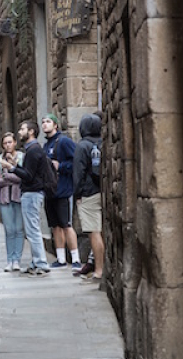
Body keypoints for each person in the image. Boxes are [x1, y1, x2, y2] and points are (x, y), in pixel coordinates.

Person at [0, 121, 51, 277]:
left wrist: (11, 168)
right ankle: (36, 262)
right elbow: (29, 172)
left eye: (22, 129)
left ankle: (41, 263)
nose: (20, 131)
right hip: (32, 193)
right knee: (31, 229)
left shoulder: (34, 150)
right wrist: (16, 165)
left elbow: (28, 176)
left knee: (33, 230)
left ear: (31, 132)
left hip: (32, 193)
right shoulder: (32, 150)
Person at [41, 113, 81, 270]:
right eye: (43, 122)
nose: (45, 124)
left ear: (55, 125)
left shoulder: (63, 141)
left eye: (48, 121)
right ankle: (61, 258)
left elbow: (76, 161)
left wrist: (61, 166)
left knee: (66, 224)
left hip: (63, 190)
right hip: (50, 191)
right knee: (55, 226)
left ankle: (76, 259)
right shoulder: (45, 146)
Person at [72, 114, 105, 284]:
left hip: (88, 193)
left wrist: (77, 194)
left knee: (94, 232)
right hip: (103, 190)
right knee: (102, 231)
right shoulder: (103, 143)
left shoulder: (82, 146)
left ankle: (99, 270)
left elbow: (78, 173)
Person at [0, 132, 25, 272]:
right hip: (5, 199)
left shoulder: (22, 157)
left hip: (19, 197)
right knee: (9, 230)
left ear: (15, 143)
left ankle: (17, 260)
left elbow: (24, 177)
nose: (7, 145)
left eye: (10, 142)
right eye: (5, 143)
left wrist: (8, 174)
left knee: (19, 230)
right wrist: (14, 175)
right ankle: (9, 260)